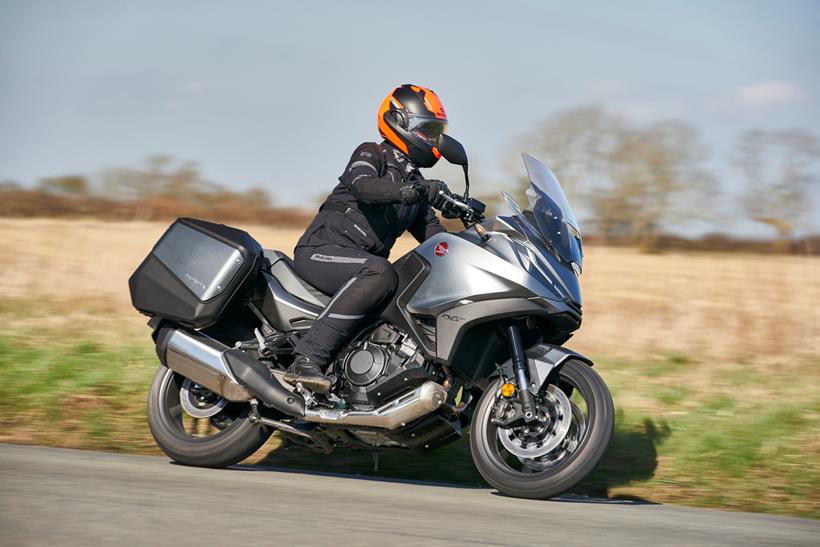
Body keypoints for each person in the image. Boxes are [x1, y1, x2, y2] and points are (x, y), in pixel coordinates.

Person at [283, 84, 456, 392]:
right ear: (399, 123)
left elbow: (436, 239)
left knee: (411, 283)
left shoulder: (415, 183)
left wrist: (473, 241)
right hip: (321, 251)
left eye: (436, 132)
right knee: (380, 272)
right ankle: (306, 358)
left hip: (359, 266)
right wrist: (412, 192)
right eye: (427, 130)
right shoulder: (371, 153)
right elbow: (363, 186)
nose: (433, 139)